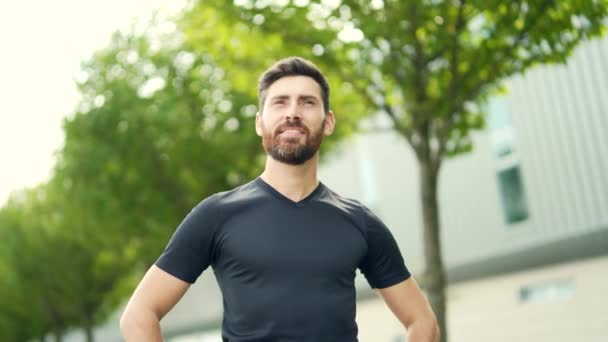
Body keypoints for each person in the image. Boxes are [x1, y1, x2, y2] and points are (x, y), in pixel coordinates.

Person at [120, 57, 439, 342]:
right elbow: (139, 315)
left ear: (328, 122)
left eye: (307, 103)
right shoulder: (216, 215)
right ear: (260, 122)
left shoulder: (360, 222)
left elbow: (422, 322)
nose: (292, 113)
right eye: (280, 102)